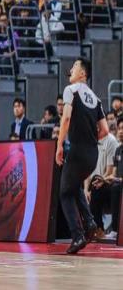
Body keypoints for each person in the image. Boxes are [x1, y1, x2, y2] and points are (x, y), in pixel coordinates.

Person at [55, 58, 109, 254]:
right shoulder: (96, 98)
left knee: (64, 193)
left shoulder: (71, 90)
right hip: (92, 154)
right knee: (74, 185)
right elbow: (105, 130)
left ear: (83, 74)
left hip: (77, 151)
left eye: (75, 66)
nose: (71, 69)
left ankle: (77, 235)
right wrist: (91, 139)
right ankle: (90, 221)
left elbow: (66, 118)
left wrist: (59, 145)